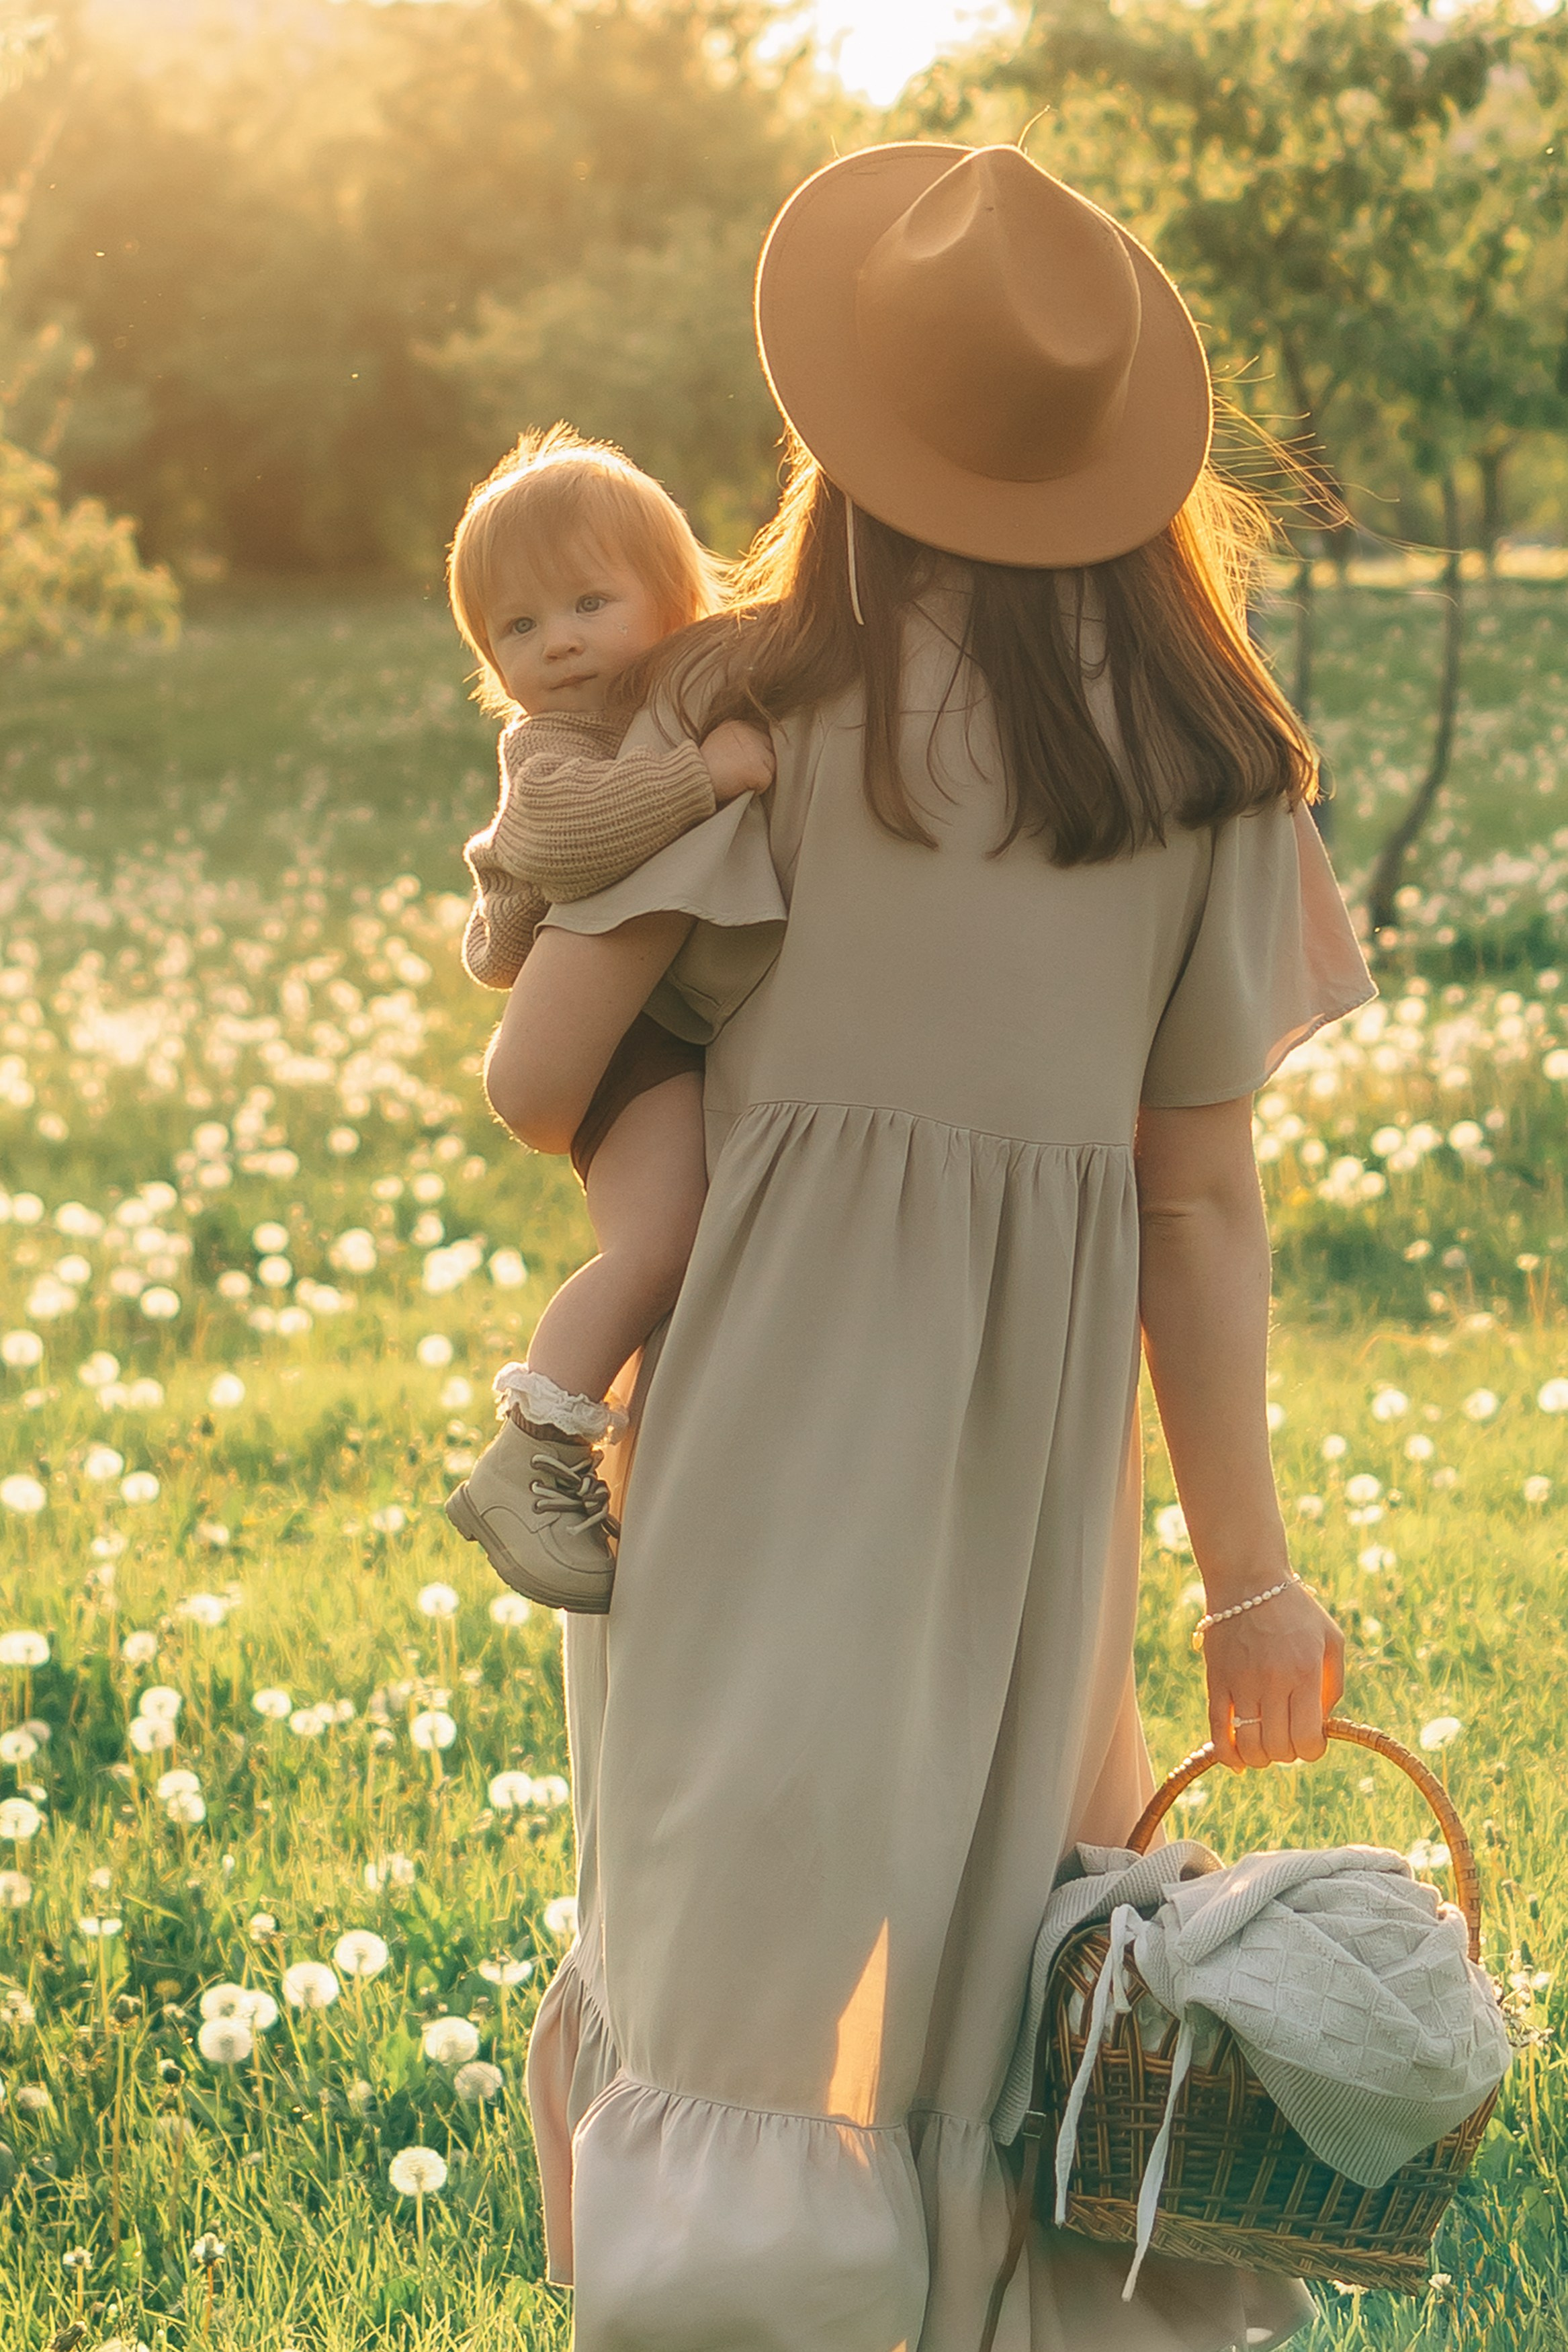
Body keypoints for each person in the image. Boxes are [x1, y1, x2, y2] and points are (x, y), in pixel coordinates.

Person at [483, 144, 1377, 2351]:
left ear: (843, 428)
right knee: (988, 1957)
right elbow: (1194, 1196)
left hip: (751, 1429)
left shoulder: (733, 712)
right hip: (1022, 1463)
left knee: (735, 1952)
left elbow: (535, 1078)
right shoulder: (1205, 756)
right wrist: (1246, 1578)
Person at [442, 424, 775, 1613]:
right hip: (614, 1037)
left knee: (686, 1254)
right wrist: (711, 776)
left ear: (676, 596)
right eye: (518, 629)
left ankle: (636, 1459)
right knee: (659, 1244)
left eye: (588, 601)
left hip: (657, 1017)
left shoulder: (678, 684)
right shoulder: (554, 743)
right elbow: (567, 839)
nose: (558, 643)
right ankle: (531, 1455)